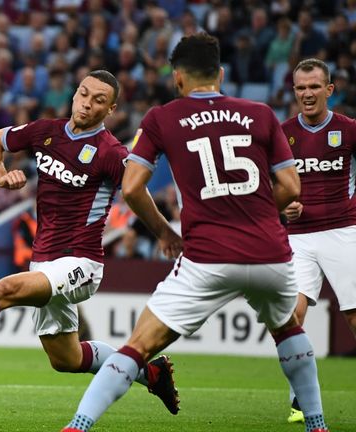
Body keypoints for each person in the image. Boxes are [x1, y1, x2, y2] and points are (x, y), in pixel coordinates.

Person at [61, 34, 328, 432]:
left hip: (208, 257)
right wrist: (255, 215)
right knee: (288, 327)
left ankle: (78, 426)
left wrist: (166, 234)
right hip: (270, 253)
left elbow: (132, 188)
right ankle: (317, 425)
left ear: (178, 78)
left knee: (139, 345)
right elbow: (290, 187)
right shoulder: (260, 113)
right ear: (220, 74)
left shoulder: (162, 117)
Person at [0, 70, 179, 415]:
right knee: (66, 359)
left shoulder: (110, 153)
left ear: (111, 109)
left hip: (81, 263)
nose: (87, 103)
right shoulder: (46, 132)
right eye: (84, 94)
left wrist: (163, 232)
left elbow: (136, 193)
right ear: (74, 94)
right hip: (43, 262)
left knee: (6, 290)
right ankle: (151, 373)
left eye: (98, 100)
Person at [281, 58, 356, 424]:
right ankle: (300, 398)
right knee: (292, 316)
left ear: (330, 89)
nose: (307, 94)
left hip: (345, 232)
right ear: (293, 92)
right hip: (298, 238)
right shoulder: (281, 134)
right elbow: (270, 187)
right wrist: (285, 208)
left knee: (354, 316)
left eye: (314, 87)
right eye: (300, 88)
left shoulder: (350, 130)